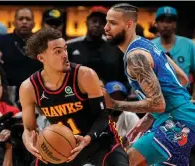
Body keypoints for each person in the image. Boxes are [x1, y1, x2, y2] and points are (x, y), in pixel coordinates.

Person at [104, 3, 195, 166]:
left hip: (179, 120)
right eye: (107, 22)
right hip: (180, 118)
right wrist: (151, 115)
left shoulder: (135, 57)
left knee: (125, 160)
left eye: (113, 23)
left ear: (129, 24)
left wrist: (115, 104)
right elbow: (182, 78)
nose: (106, 27)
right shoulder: (148, 44)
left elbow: (158, 103)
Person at [19, 28, 129, 166]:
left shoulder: (84, 75)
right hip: (62, 147)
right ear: (41, 58)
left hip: (99, 142)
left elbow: (102, 117)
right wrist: (28, 141)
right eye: (58, 51)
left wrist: (87, 139)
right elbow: (29, 128)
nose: (65, 54)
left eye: (65, 49)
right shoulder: (29, 87)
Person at [151, 6, 195, 101]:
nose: (165, 25)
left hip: (183, 98)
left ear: (175, 24)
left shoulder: (189, 45)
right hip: (158, 99)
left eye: (169, 21)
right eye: (162, 21)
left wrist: (193, 98)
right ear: (156, 24)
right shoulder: (150, 46)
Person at [67, 6, 128, 86]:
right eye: (94, 21)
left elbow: (124, 77)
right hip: (77, 94)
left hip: (108, 94)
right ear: (86, 22)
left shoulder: (116, 48)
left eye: (102, 22)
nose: (97, 25)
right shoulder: (70, 46)